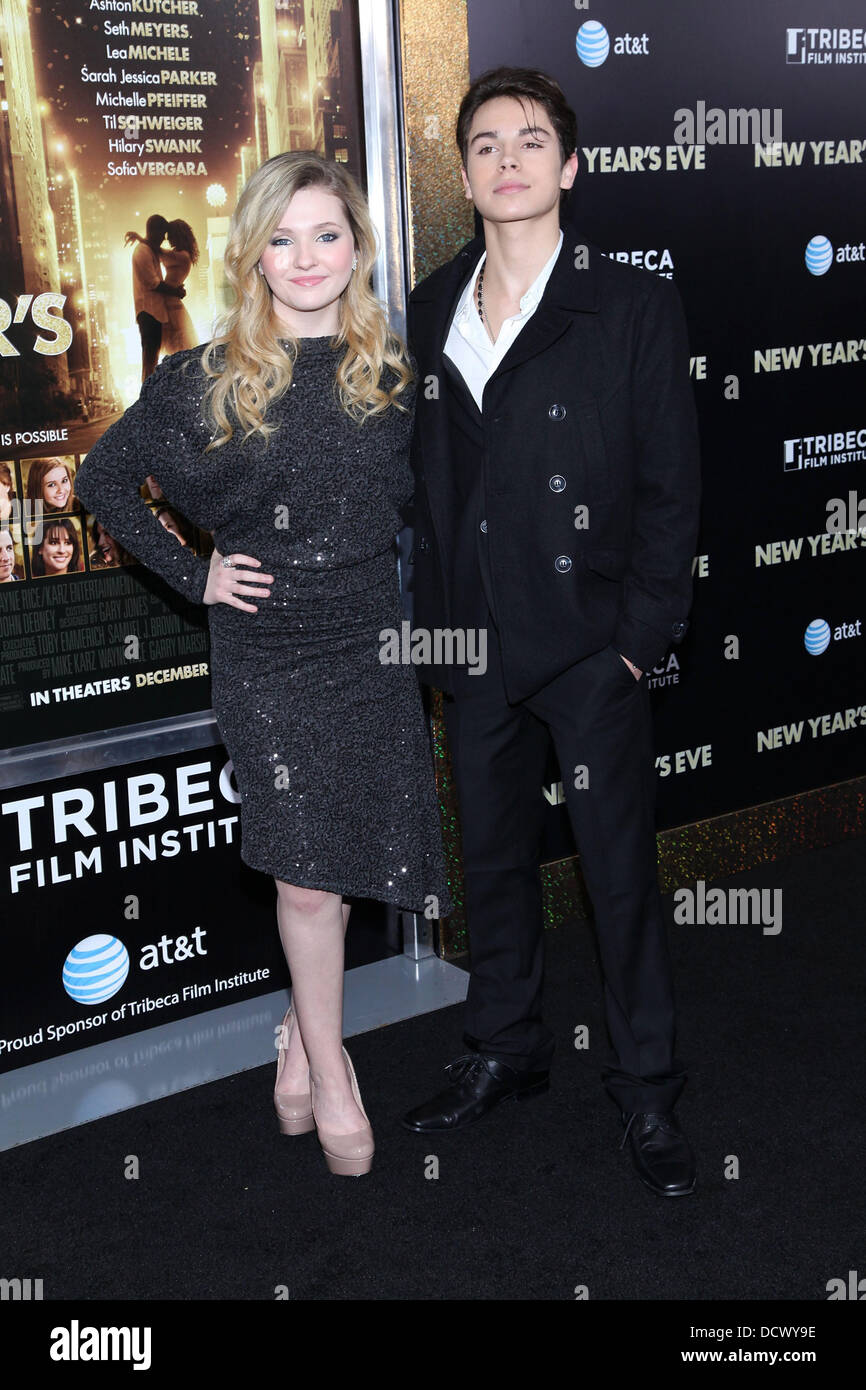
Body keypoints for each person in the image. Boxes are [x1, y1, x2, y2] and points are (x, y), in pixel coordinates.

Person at [75, 151, 452, 1179]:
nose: (304, 257)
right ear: (253, 254)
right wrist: (193, 576)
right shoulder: (203, 378)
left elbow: (424, 506)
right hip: (270, 658)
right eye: (280, 238)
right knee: (307, 882)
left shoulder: (390, 372)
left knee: (345, 863)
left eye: (326, 234)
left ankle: (296, 1038)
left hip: (370, 643)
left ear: (356, 247)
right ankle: (332, 1068)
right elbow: (102, 479)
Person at [401, 67, 702, 1198]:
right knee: (490, 869)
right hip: (471, 649)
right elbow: (424, 483)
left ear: (567, 168)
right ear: (466, 171)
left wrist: (635, 641)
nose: (508, 160)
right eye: (485, 144)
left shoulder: (627, 304)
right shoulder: (433, 307)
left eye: (530, 142)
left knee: (617, 879)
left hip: (589, 650)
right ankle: (503, 1052)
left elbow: (672, 488)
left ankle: (649, 1092)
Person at [125, 216, 186, 380]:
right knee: (150, 359)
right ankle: (147, 398)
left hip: (155, 312)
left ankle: (149, 395)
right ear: (155, 231)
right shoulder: (143, 251)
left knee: (152, 357)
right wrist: (176, 291)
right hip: (149, 312)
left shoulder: (148, 249)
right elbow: (153, 283)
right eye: (163, 233)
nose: (164, 238)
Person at [160, 220, 199, 355]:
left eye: (169, 234)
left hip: (172, 308)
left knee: (176, 349)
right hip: (171, 305)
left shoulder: (181, 256)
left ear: (176, 235)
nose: (167, 238)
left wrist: (140, 239)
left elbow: (157, 252)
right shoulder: (182, 255)